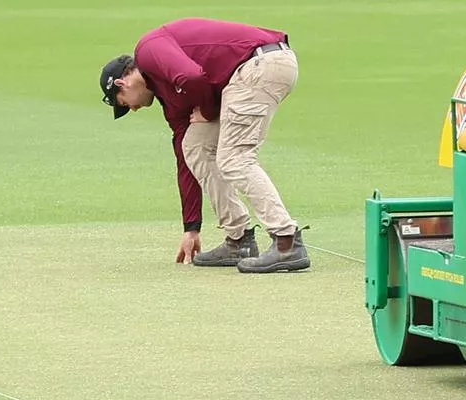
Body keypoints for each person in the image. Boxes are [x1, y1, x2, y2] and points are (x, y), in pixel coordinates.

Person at [98, 18, 309, 273]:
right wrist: (191, 227)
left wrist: (208, 112)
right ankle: (239, 239)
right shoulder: (171, 99)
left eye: (123, 103)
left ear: (123, 83)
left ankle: (287, 241)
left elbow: (193, 76)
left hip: (261, 64)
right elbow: (184, 157)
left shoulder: (148, 50)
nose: (132, 108)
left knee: (235, 158)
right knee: (194, 145)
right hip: (252, 71)